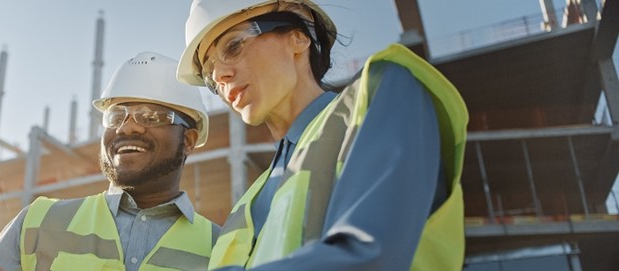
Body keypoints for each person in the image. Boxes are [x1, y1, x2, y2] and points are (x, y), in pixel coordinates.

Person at [175, 0, 469, 270]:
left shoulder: (379, 96)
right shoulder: (249, 200)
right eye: (210, 72)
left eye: (233, 46)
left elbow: (368, 255)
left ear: (298, 37)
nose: (219, 77)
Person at [0, 51, 221, 271]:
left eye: (150, 116)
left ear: (188, 140)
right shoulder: (36, 223)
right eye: (116, 116)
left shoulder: (222, 248)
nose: (128, 127)